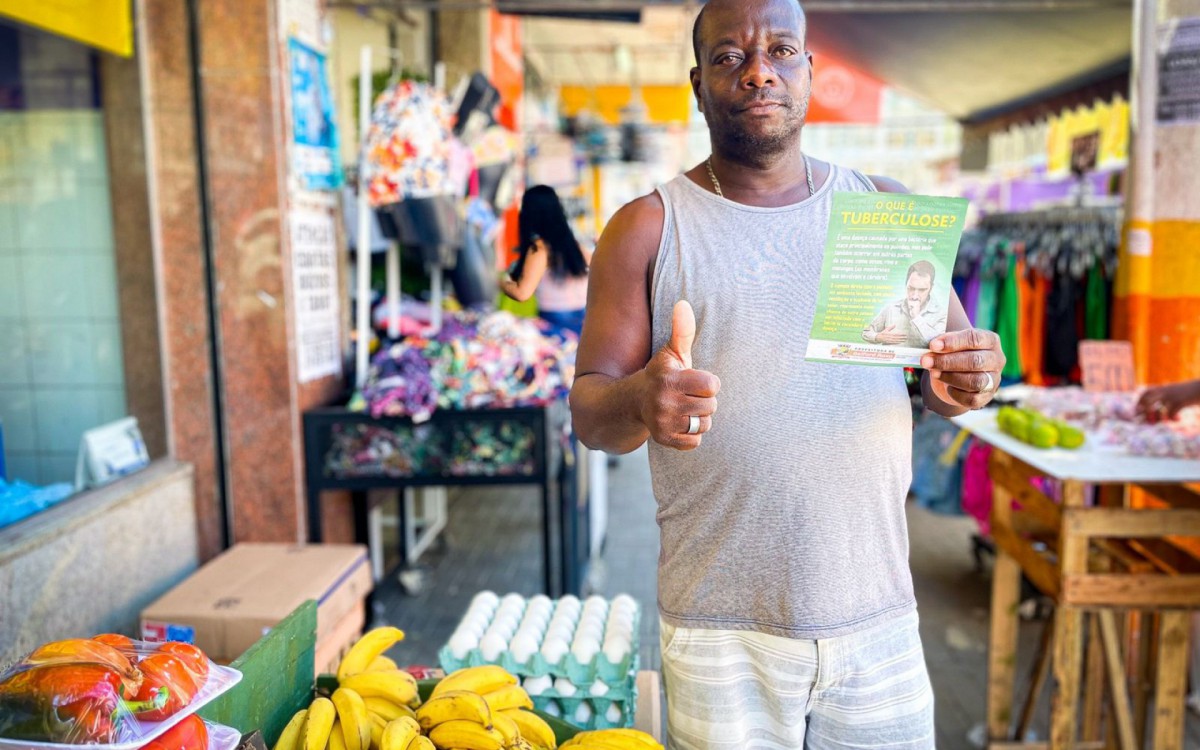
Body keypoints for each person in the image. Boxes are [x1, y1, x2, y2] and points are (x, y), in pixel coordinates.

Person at [568, 0, 1006, 747]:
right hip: (717, 628)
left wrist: (972, 374)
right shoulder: (646, 227)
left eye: (779, 49)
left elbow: (947, 386)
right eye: (730, 56)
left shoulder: (884, 212)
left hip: (877, 620)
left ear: (810, 70)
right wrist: (642, 398)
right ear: (698, 83)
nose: (758, 69)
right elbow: (589, 415)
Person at [500, 185, 592, 337]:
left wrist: (497, 282)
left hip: (555, 319)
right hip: (585, 316)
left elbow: (522, 293)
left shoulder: (540, 249)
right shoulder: (573, 245)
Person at [862, 260, 948, 347]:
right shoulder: (891, 308)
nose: (914, 296)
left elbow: (937, 344)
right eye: (911, 288)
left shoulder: (941, 314)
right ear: (906, 284)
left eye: (922, 290)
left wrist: (916, 318)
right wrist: (878, 337)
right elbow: (866, 332)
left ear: (931, 288)